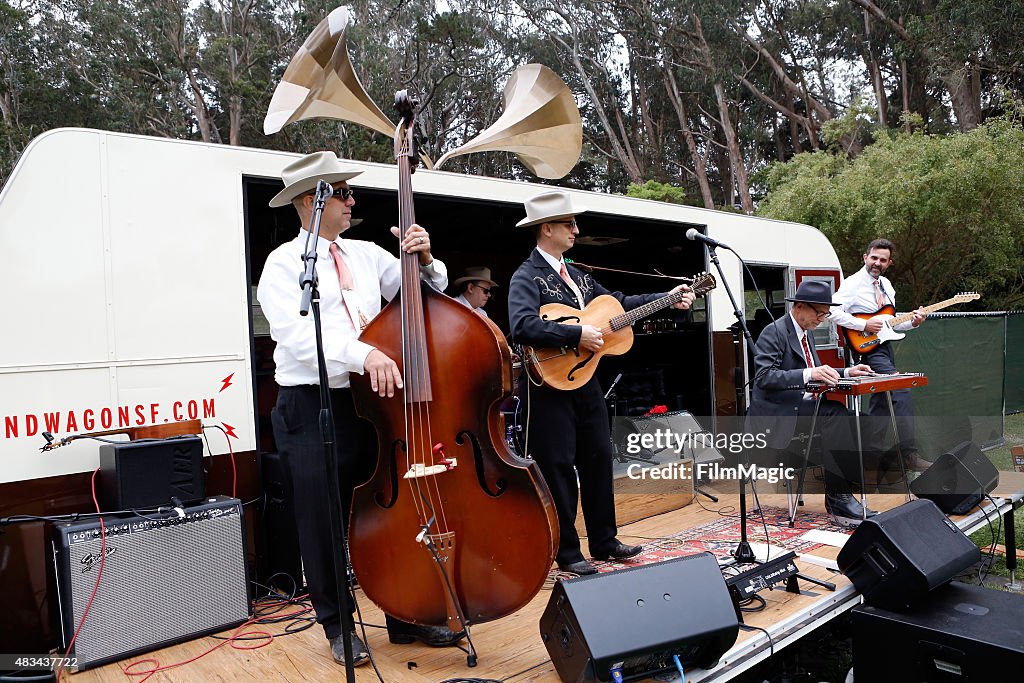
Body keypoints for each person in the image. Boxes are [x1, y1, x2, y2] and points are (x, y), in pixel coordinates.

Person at [257, 151, 464, 666]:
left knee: (387, 512)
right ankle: (339, 626)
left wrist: (428, 258)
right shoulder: (282, 264)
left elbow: (426, 293)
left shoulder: (370, 254)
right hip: (312, 403)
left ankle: (404, 615)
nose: (353, 201)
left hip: (371, 403)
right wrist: (365, 352)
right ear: (313, 200)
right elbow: (299, 339)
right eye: (344, 192)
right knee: (322, 519)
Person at [507, 190, 695, 575]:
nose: (576, 230)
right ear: (547, 229)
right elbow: (522, 326)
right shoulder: (526, 276)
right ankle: (568, 551)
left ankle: (605, 541)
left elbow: (618, 305)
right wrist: (574, 336)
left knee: (597, 459)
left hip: (585, 383)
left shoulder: (576, 275)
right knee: (558, 467)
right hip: (547, 388)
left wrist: (666, 297)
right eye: (568, 223)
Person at [746, 280, 878, 526]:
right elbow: (764, 378)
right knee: (837, 414)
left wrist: (848, 371)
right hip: (780, 415)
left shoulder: (806, 334)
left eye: (826, 314)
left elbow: (816, 371)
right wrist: (809, 374)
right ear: (798, 306)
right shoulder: (773, 332)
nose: (822, 319)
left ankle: (842, 490)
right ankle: (838, 497)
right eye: (818, 312)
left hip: (804, 410)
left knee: (862, 420)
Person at [831, 239, 928, 474]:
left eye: (883, 260)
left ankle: (870, 457)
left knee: (882, 401)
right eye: (874, 258)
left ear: (889, 263)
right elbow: (832, 311)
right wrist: (862, 323)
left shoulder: (886, 285)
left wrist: (913, 322)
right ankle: (909, 454)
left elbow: (889, 325)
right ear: (866, 257)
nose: (877, 263)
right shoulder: (852, 284)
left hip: (884, 347)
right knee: (901, 388)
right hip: (867, 350)